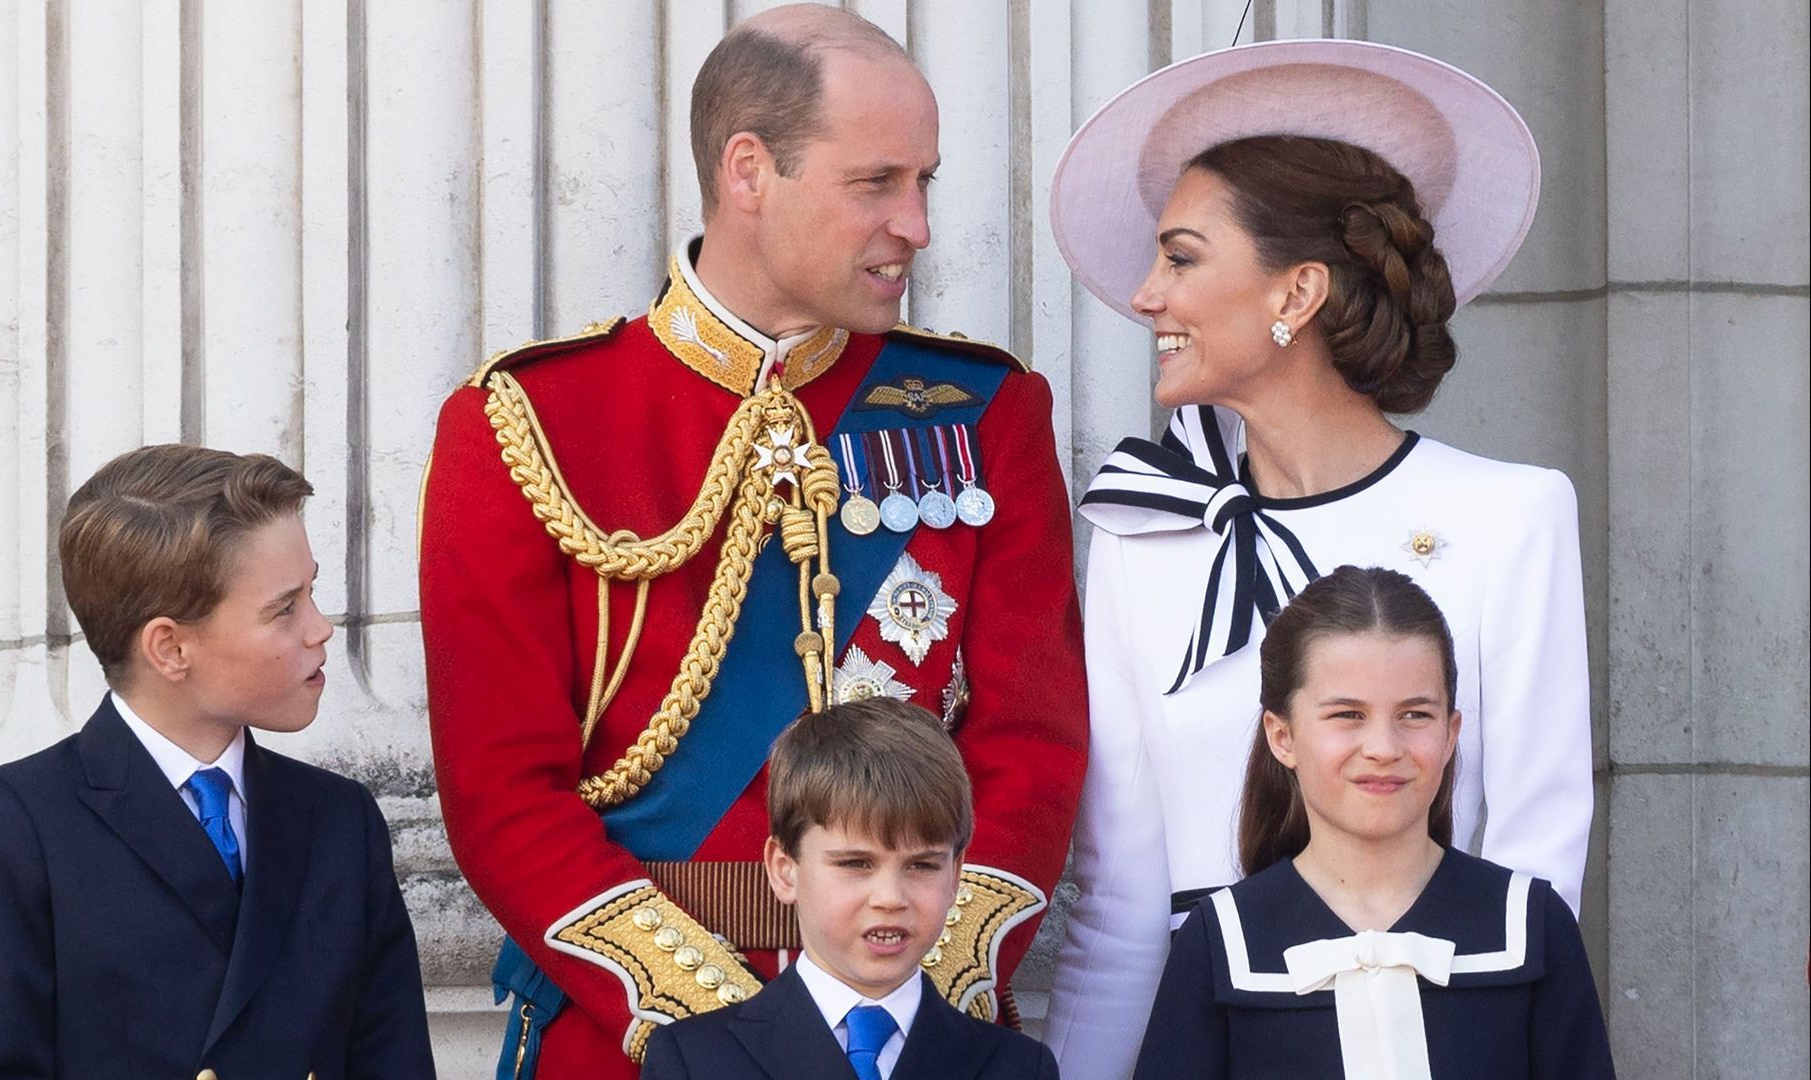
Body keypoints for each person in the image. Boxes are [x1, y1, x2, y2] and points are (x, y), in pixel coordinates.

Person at [419, 5, 1087, 1077]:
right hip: (636, 1036)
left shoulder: (981, 412)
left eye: (926, 182)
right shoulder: (529, 423)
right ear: (747, 172)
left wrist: (908, 994)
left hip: (912, 1028)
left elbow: (1032, 748)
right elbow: (501, 793)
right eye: (877, 182)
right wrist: (726, 1032)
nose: (916, 223)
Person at [1042, 39, 1594, 1079]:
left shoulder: (1511, 517)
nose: (1146, 294)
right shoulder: (1140, 533)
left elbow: (1535, 874)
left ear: (1295, 292)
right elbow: (1117, 907)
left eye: (1183, 257)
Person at [0, 445, 436, 1079]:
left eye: (312, 592)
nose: (320, 628)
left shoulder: (339, 820)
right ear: (169, 648)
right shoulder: (19, 822)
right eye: (284, 608)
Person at [1132, 566, 1614, 1078]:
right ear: (1283, 736)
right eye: (1347, 715)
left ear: (1452, 733)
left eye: (1415, 715)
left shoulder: (1531, 925)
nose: (1383, 748)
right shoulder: (1220, 940)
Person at [638, 698, 1061, 1080]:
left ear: (955, 875)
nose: (891, 897)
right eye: (856, 864)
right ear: (785, 870)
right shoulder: (694, 1061)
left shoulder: (1019, 1067)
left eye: (922, 865)